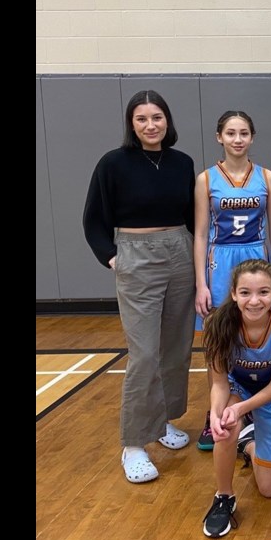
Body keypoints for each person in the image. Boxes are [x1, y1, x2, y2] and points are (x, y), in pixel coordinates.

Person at [82, 90, 197, 483]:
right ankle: (134, 443)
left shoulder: (182, 163)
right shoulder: (113, 164)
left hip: (179, 251)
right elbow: (93, 220)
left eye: (158, 117)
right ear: (131, 124)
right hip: (136, 255)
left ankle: (161, 422)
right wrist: (113, 257)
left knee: (176, 347)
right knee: (144, 353)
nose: (151, 125)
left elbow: (192, 217)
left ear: (168, 120)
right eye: (142, 119)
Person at [194, 110, 271, 451]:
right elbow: (201, 233)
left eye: (243, 133)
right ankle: (215, 412)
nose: (237, 139)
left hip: (256, 259)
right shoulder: (206, 179)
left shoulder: (268, 178)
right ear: (219, 137)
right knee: (219, 339)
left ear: (252, 137)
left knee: (258, 332)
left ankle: (254, 406)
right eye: (231, 133)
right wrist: (201, 283)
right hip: (220, 260)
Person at [200, 260, 271, 538]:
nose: (254, 301)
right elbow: (219, 383)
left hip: (269, 395)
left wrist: (243, 409)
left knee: (268, 490)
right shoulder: (217, 323)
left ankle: (249, 447)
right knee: (225, 426)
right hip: (237, 389)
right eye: (245, 293)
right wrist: (217, 414)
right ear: (233, 293)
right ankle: (224, 497)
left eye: (263, 292)